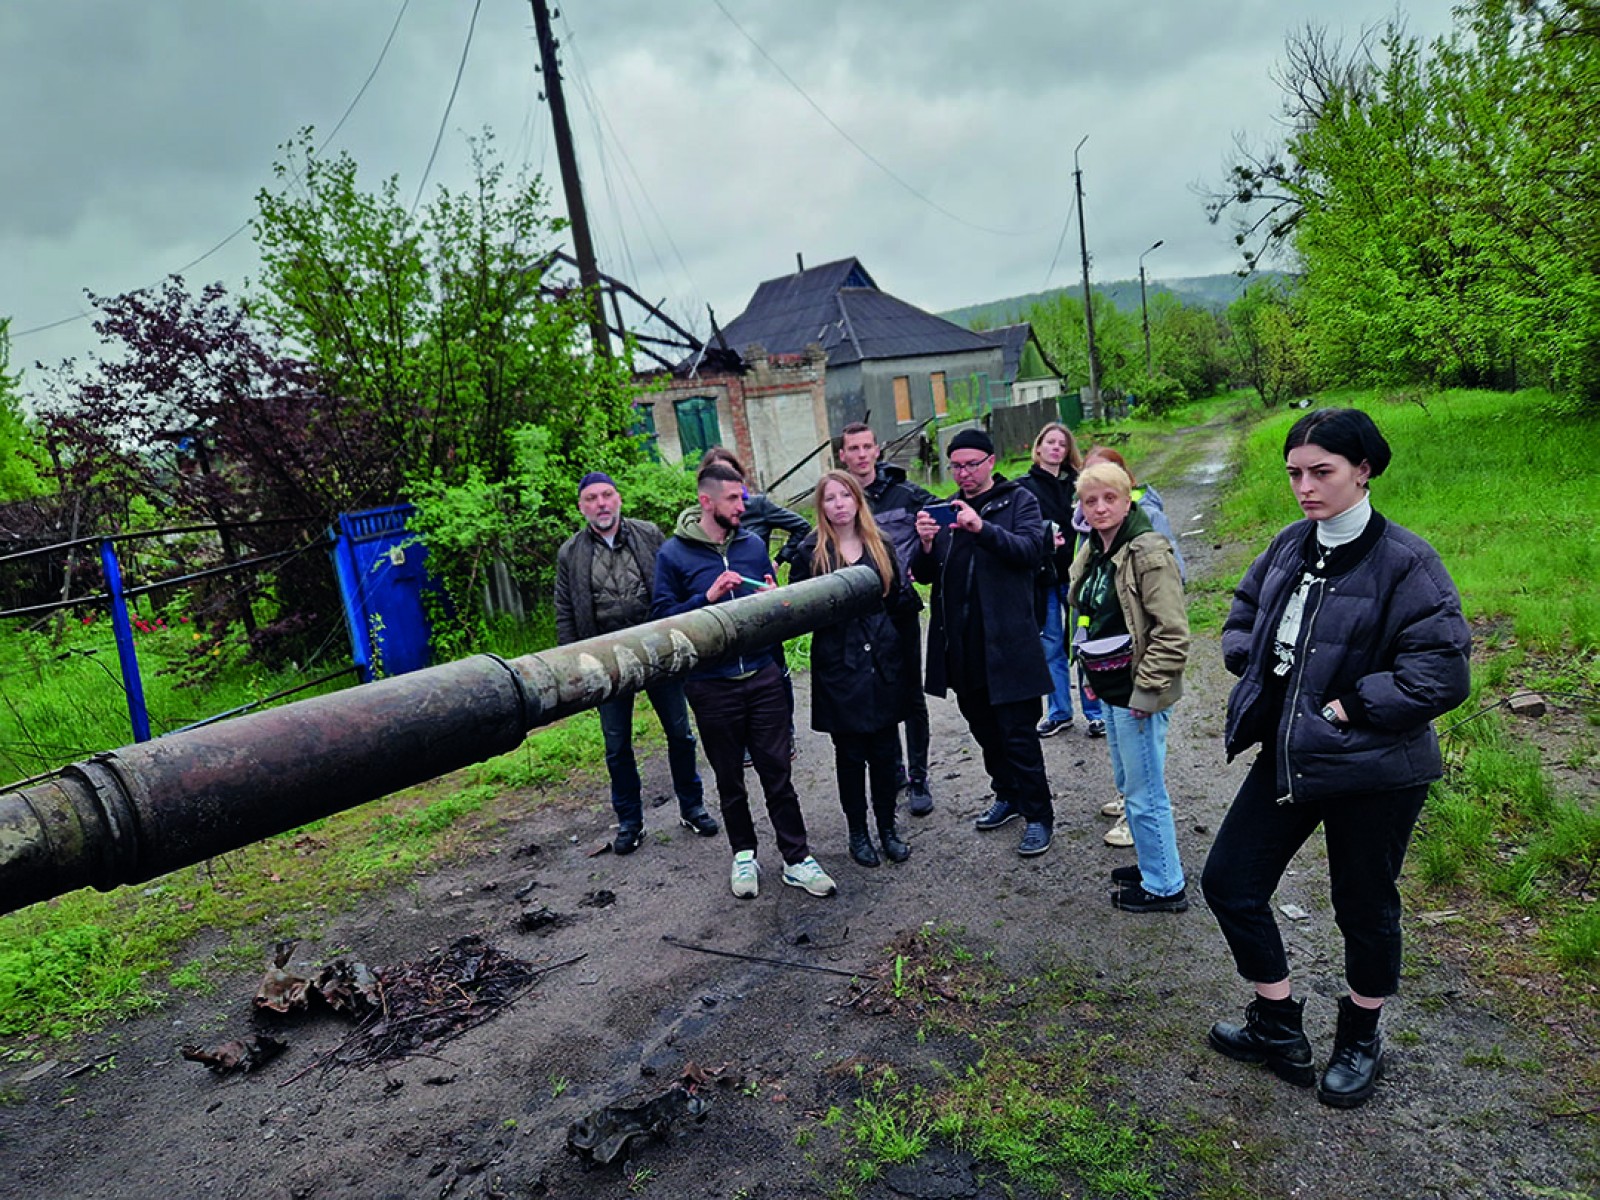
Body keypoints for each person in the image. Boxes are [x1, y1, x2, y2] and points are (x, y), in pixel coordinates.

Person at [1200, 408, 1471, 1109]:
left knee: (1364, 906)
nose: (1305, 487)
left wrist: (1351, 705)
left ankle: (1360, 1037)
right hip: (1294, 756)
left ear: (1364, 469)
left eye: (1321, 472)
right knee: (1229, 879)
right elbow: (1244, 607)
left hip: (1377, 770)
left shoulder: (1407, 562)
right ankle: (1277, 1024)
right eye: (1294, 473)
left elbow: (1442, 671)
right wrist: (1249, 658)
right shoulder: (1292, 545)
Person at [652, 461, 837, 900]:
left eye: (743, 496)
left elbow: (777, 612)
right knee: (729, 778)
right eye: (734, 498)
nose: (744, 504)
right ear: (706, 502)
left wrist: (774, 602)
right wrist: (707, 598)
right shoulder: (673, 555)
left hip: (763, 677)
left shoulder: (753, 545)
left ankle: (796, 859)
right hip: (711, 686)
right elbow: (660, 621)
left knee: (778, 774)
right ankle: (744, 855)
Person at [554, 471, 718, 855]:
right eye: (591, 498)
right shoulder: (571, 553)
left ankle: (692, 807)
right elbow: (564, 610)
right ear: (581, 507)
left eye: (607, 495)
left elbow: (672, 585)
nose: (601, 504)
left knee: (681, 734)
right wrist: (571, 664)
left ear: (619, 499)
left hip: (657, 649)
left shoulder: (648, 534)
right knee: (617, 746)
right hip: (604, 660)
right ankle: (630, 822)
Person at [912, 428, 1055, 857]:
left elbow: (1032, 550)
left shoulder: (1018, 501)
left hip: (1009, 645)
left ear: (991, 461)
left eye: (972, 464)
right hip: (963, 646)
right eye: (956, 466)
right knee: (985, 731)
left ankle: (1039, 815)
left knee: (1018, 735)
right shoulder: (944, 511)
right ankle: (1007, 796)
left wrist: (982, 529)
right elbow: (925, 574)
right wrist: (924, 544)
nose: (964, 473)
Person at [1068, 461, 1191, 913]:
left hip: (1140, 690)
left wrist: (1148, 691)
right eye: (1089, 500)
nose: (1099, 508)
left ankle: (1165, 886)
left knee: (1145, 792)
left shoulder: (1146, 550)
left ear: (1127, 499)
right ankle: (1152, 864)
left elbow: (1173, 631)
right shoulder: (1096, 549)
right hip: (1113, 686)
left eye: (1109, 498)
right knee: (1127, 783)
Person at [789, 471, 917, 867]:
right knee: (850, 756)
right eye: (831, 498)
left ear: (858, 500)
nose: (839, 503)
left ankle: (888, 829)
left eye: (846, 495)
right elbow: (799, 611)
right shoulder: (811, 553)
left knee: (884, 753)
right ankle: (858, 834)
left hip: (881, 662)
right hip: (839, 667)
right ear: (821, 506)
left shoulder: (880, 545)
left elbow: (898, 601)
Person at [838, 421, 936, 815]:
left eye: (867, 447)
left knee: (911, 694)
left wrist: (926, 546)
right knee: (880, 695)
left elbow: (943, 524)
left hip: (900, 611)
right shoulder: (839, 500)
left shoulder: (907, 494)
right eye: (853, 449)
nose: (861, 455)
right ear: (842, 456)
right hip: (860, 620)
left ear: (877, 450)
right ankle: (892, 771)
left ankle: (918, 778)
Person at [1016, 422, 1084, 739]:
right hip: (1044, 578)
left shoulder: (1080, 483)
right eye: (1050, 442)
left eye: (1062, 443)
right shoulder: (1024, 487)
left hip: (1079, 576)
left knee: (1085, 642)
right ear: (1039, 448)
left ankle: (1096, 712)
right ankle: (1059, 711)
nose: (1056, 447)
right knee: (1052, 646)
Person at [698, 447, 811, 568]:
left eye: (729, 472)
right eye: (717, 474)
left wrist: (778, 560)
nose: (725, 478)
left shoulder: (758, 506)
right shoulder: (701, 519)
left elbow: (802, 527)